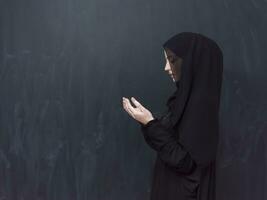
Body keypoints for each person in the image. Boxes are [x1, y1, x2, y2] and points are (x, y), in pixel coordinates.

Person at [122, 32, 223, 200]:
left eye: (172, 60)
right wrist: (148, 122)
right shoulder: (183, 101)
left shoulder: (200, 106)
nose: (166, 68)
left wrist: (150, 123)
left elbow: (185, 163)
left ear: (192, 63)